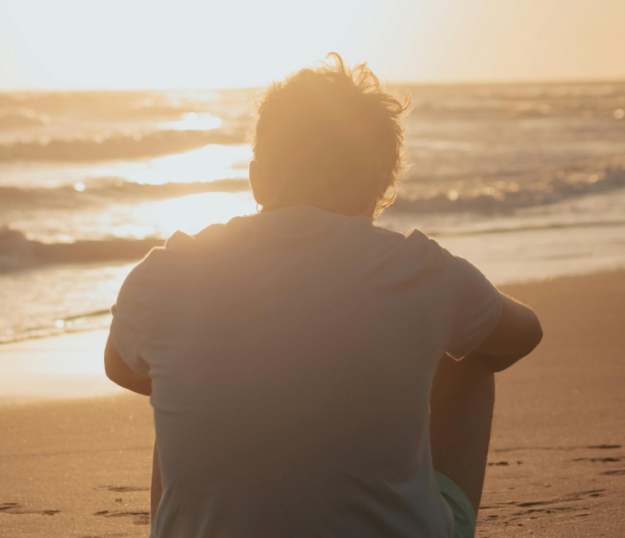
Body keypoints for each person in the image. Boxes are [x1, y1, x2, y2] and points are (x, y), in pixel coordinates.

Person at [104, 53, 542, 538]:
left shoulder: (167, 272)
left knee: (178, 382)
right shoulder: (420, 270)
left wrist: (253, 378)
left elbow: (121, 367)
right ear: (380, 186)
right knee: (472, 353)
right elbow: (522, 334)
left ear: (256, 179)